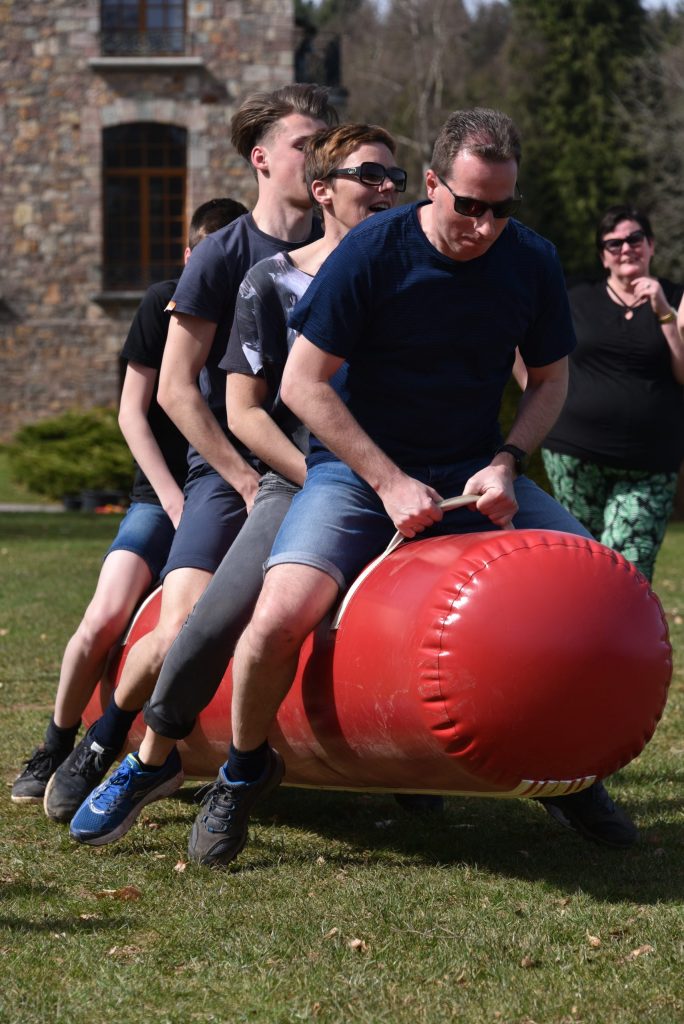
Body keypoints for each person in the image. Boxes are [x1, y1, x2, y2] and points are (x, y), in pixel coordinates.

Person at [179, 107, 638, 869]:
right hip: (358, 475)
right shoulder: (372, 249)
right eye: (470, 206)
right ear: (431, 184)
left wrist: (507, 460)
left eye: (502, 208)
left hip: (474, 469)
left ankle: (571, 773)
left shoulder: (530, 258)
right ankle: (242, 772)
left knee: (599, 593)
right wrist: (387, 480)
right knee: (276, 619)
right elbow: (301, 385)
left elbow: (551, 380)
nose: (485, 226)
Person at [68, 123, 429, 847]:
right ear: (323, 191)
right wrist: (328, 478)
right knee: (210, 622)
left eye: (396, 178)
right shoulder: (271, 280)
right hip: (304, 477)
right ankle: (150, 760)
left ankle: (566, 782)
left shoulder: (418, 275)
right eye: (370, 176)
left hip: (412, 477)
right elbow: (243, 413)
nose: (388, 190)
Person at [41, 84, 338, 824]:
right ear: (260, 158)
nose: (319, 158)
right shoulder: (223, 254)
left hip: (331, 467)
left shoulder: (349, 244)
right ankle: (107, 735)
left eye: (326, 144)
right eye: (304, 144)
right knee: (179, 627)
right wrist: (241, 476)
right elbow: (175, 390)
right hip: (229, 472)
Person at [11, 197, 247, 809]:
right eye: (207, 259)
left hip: (225, 493)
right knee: (105, 615)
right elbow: (132, 414)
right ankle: (56, 743)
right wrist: (171, 501)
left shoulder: (256, 307)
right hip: (162, 495)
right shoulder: (162, 305)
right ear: (190, 258)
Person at [541, 206, 684, 582]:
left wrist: (664, 313)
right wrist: (540, 391)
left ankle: (617, 625)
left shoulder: (676, 298)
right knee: (578, 564)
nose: (626, 249)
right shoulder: (576, 296)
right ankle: (575, 624)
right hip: (574, 455)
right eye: (614, 243)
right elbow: (528, 346)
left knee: (629, 571)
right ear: (603, 256)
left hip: (649, 463)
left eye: (635, 239)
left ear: (651, 245)